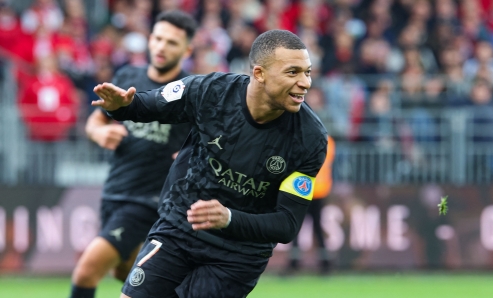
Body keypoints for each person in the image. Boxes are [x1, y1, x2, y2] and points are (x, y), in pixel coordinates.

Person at [92, 29, 328, 298]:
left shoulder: (310, 139)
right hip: (179, 228)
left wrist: (228, 218)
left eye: (307, 72)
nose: (305, 82)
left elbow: (287, 224)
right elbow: (148, 104)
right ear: (260, 73)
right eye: (293, 72)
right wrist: (120, 107)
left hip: (238, 256)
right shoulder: (210, 92)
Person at [69, 10, 197, 298]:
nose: (162, 47)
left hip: (150, 200)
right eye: (159, 38)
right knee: (124, 273)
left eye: (172, 43)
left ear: (187, 50)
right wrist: (99, 132)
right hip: (115, 191)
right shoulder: (128, 75)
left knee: (87, 270)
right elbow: (97, 120)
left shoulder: (190, 91)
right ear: (149, 40)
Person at [286, 135, 335, 275]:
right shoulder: (328, 141)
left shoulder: (305, 138)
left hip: (304, 189)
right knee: (317, 228)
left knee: (297, 228)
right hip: (318, 190)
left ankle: (295, 263)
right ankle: (324, 264)